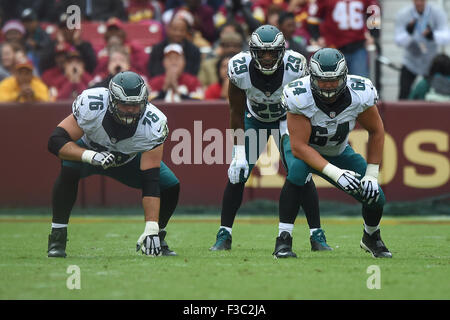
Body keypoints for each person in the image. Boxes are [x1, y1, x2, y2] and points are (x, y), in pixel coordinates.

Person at [209, 25, 331, 254]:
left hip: (287, 121)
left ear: (281, 52)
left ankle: (317, 235)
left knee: (300, 171)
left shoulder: (296, 67)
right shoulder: (239, 68)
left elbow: (308, 106)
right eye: (262, 52)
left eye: (272, 52)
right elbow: (235, 111)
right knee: (237, 173)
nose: (267, 58)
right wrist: (238, 153)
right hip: (253, 119)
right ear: (253, 52)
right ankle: (224, 233)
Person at [46, 71, 180, 258]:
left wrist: (152, 226)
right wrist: (90, 156)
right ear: (111, 100)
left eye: (135, 104)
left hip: (128, 160)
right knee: (69, 169)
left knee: (170, 186)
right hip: (89, 151)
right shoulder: (92, 103)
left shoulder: (154, 123)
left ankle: (157, 237)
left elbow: (151, 179)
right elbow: (56, 141)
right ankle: (57, 237)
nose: (131, 110)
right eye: (124, 104)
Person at [280, 47, 391, 258]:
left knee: (376, 197)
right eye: (322, 80)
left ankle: (371, 237)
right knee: (297, 171)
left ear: (344, 76)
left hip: (338, 151)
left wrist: (371, 174)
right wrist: (335, 173)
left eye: (334, 80)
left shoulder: (360, 92)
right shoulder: (299, 95)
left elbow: (376, 131)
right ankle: (283, 240)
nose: (329, 85)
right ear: (312, 77)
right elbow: (299, 147)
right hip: (305, 149)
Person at [307, 0, 380, 78]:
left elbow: (373, 12)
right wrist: (317, 37)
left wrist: (373, 35)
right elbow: (313, 17)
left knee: (358, 80)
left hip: (358, 45)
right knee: (332, 80)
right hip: (333, 46)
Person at [395, 0, 450, 99]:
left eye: (422, 0)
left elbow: (447, 36)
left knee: (434, 93)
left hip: (431, 62)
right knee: (403, 95)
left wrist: (432, 35)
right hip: (411, 62)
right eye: (416, 0)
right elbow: (398, 41)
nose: (419, 3)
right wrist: (408, 33)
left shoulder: (437, 12)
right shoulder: (403, 14)